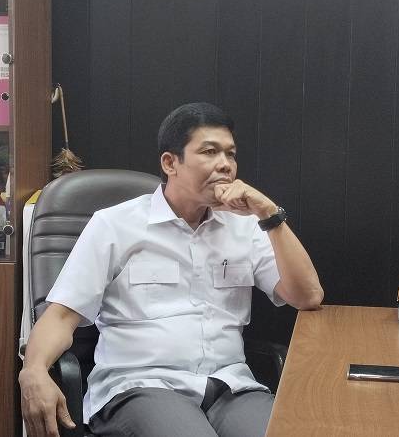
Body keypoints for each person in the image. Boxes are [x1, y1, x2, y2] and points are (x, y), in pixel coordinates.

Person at [19, 102, 323, 437]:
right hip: (142, 387)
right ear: (170, 163)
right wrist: (34, 370)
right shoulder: (115, 225)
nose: (225, 164)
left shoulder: (246, 225)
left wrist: (269, 214)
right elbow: (61, 316)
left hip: (230, 388)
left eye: (231, 154)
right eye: (209, 151)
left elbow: (307, 297)